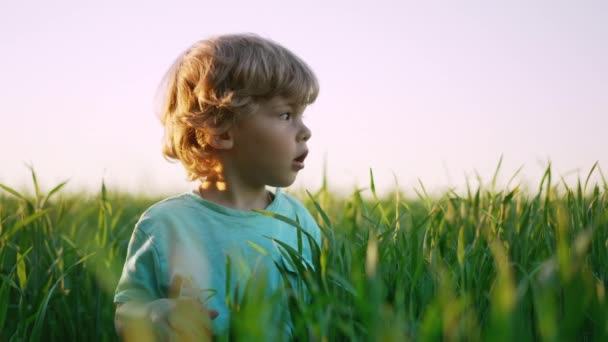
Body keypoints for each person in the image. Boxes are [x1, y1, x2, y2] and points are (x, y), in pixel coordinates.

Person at [114, 33, 322, 341]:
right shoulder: (164, 225)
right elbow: (126, 311)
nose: (305, 131)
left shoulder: (299, 221)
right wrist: (157, 314)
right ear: (221, 131)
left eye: (302, 115)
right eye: (286, 114)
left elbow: (322, 309)